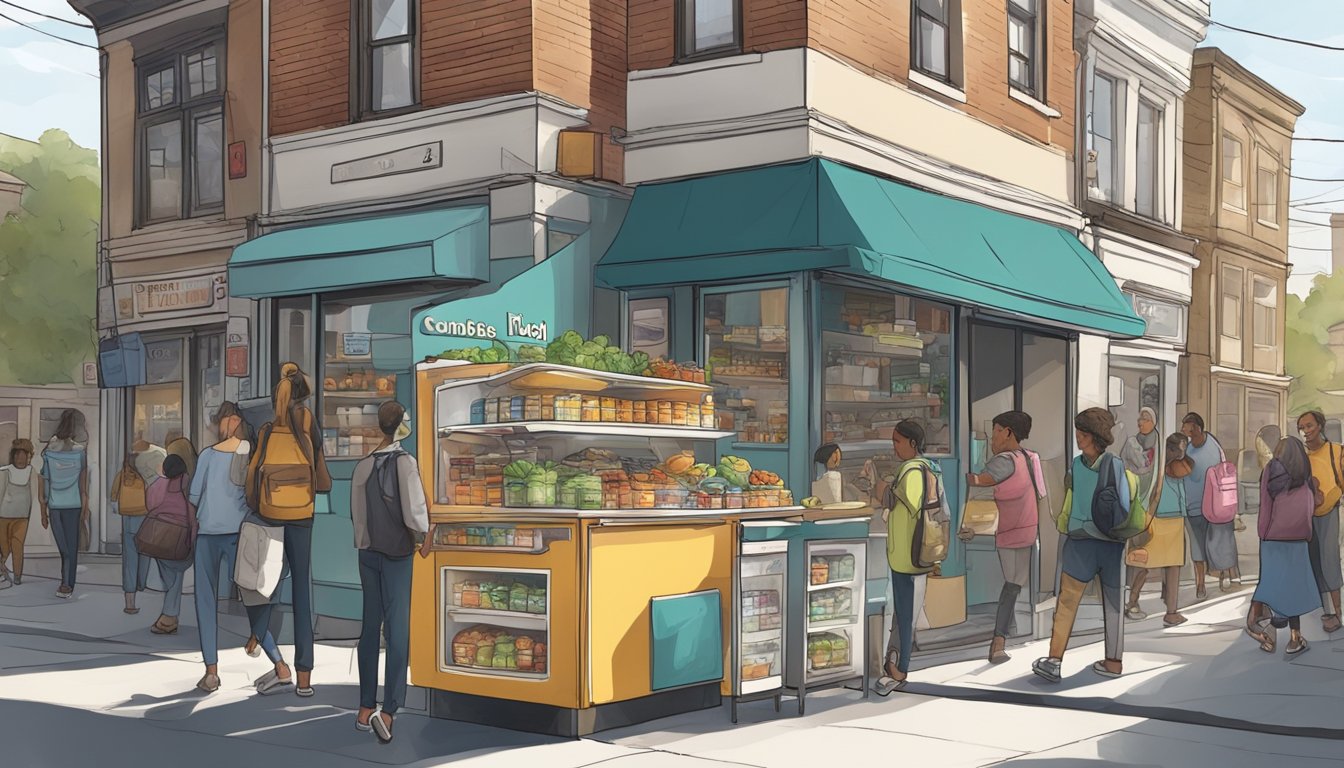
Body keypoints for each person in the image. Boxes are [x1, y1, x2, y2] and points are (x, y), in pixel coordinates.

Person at [245, 362, 331, 698]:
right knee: (301, 595)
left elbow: (253, 475)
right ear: (303, 395)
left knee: (263, 583)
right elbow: (319, 465)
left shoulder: (266, 430)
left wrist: (255, 506)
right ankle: (305, 677)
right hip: (302, 514)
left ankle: (258, 631)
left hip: (270, 513)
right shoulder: (308, 423)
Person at [1033, 408, 1135, 683]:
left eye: (1083, 433)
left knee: (1069, 603)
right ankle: (1109, 661)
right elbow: (1121, 504)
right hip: (1106, 543)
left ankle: (1056, 661)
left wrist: (1070, 523)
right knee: (1110, 603)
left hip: (1085, 542)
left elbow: (1073, 501)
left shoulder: (1087, 466)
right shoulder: (1101, 465)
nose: (1078, 437)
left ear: (1096, 436)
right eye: (1078, 432)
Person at [191, 401, 285, 693]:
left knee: (205, 601)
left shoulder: (207, 456)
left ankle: (211, 672)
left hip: (208, 535)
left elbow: (194, 495)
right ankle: (280, 664)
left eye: (219, 420)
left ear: (228, 420)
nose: (217, 426)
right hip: (241, 534)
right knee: (253, 598)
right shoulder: (251, 452)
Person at [351, 402, 430, 744]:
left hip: (368, 554)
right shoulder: (405, 463)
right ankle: (390, 710)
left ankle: (365, 707)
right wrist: (427, 533)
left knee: (370, 627)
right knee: (397, 630)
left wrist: (365, 544)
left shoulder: (364, 465)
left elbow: (358, 516)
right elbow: (415, 514)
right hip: (398, 554)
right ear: (400, 427)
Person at [963, 410, 1043, 664]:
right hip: (1029, 528)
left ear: (1008, 432)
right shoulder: (1031, 458)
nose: (992, 438)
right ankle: (1010, 630)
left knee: (1011, 584)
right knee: (1016, 582)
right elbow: (1039, 493)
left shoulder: (1003, 461)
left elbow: (977, 482)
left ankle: (998, 641)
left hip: (1009, 531)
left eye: (996, 431)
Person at [874, 420, 940, 695]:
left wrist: (880, 486)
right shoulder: (928, 467)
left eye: (898, 442)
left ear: (913, 444)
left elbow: (904, 501)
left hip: (908, 554)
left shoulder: (913, 470)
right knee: (902, 611)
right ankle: (894, 664)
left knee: (905, 613)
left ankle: (900, 668)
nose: (894, 447)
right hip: (911, 553)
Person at [1244, 437, 1320, 656]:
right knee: (1293, 589)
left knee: (1271, 585)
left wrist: (1263, 532)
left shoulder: (1271, 470)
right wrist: (1307, 533)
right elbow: (1308, 505)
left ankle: (1267, 634)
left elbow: (1266, 504)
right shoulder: (1304, 472)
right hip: (1298, 537)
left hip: (1273, 536)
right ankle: (1295, 639)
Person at [1124, 433, 1192, 627]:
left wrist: (1184, 513)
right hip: (1156, 518)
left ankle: (1171, 611)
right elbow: (1146, 491)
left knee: (1173, 567)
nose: (1182, 454)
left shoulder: (1177, 468)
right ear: (1170, 449)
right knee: (1144, 563)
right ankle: (1133, 602)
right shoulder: (1154, 466)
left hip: (1175, 520)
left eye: (1183, 450)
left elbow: (1181, 493)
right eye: (1179, 449)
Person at [1180, 413, 1238, 599]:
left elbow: (1225, 475)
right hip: (1193, 506)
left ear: (1197, 427)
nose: (1183, 430)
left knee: (1219, 543)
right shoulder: (1186, 449)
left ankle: (1225, 575)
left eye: (1186, 426)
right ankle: (1200, 585)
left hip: (1214, 508)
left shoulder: (1214, 447)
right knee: (1197, 547)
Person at [1296, 411, 1343, 634]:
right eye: (1301, 427)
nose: (1305, 431)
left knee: (1330, 559)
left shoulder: (1336, 450)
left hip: (1329, 513)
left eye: (1309, 426)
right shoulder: (1301, 457)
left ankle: (1338, 612)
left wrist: (1331, 496)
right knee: (1314, 562)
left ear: (1320, 425)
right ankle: (1326, 612)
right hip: (1307, 516)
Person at [37, 410, 89, 599]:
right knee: (70, 547)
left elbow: (44, 481)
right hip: (72, 505)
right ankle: (67, 583)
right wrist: (85, 506)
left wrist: (43, 511)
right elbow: (83, 485)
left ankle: (66, 583)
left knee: (65, 548)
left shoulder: (49, 451)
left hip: (56, 506)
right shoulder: (80, 452)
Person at [146, 455, 196, 634]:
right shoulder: (189, 483)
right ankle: (169, 616)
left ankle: (169, 616)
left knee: (170, 575)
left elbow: (150, 504)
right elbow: (193, 509)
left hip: (160, 536)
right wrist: (193, 535)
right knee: (177, 574)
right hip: (182, 535)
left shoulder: (159, 484)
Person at [110, 454, 152, 614]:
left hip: (128, 520)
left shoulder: (121, 475)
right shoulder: (146, 476)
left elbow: (113, 497)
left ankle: (130, 602)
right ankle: (141, 583)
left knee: (129, 562)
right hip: (145, 520)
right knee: (145, 556)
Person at [0, 439, 36, 586]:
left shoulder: (32, 472)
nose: (20, 459)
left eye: (24, 455)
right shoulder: (5, 471)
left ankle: (17, 575)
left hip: (22, 518)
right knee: (4, 547)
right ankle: (3, 571)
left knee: (17, 546)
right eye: (17, 455)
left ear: (29, 456)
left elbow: (34, 495)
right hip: (3, 516)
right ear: (13, 456)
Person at [1121, 407, 1161, 501]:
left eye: (1145, 419)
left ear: (1153, 422)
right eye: (1140, 419)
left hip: (1150, 481)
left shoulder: (1158, 441)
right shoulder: (1132, 442)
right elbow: (1126, 462)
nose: (1140, 422)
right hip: (1133, 480)